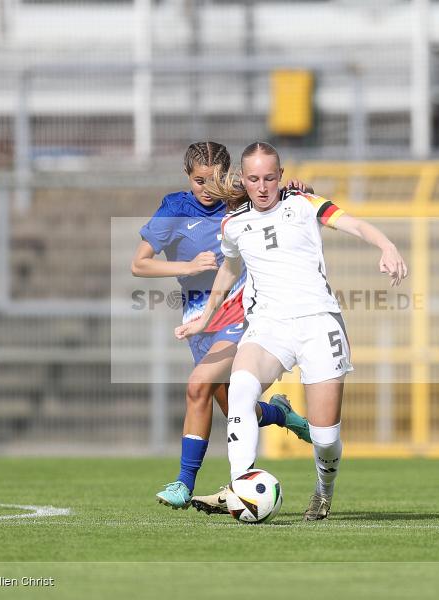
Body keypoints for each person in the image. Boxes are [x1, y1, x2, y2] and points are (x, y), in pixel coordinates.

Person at [176, 142, 407, 520]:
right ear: (244, 181)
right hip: (269, 327)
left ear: (281, 176)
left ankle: (323, 491)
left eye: (270, 177)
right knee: (241, 392)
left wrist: (386, 245)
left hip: (318, 324)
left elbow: (355, 224)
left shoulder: (304, 204)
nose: (263, 186)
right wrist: (205, 319)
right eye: (253, 179)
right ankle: (239, 488)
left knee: (325, 437)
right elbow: (230, 270)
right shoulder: (234, 224)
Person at [131, 141, 312, 511]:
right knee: (236, 408)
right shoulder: (175, 209)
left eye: (215, 180)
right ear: (187, 177)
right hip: (199, 316)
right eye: (199, 181)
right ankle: (279, 413)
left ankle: (183, 483)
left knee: (197, 387)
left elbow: (275, 195)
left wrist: (296, 190)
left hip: (241, 308)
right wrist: (187, 268)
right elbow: (140, 264)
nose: (207, 189)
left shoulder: (239, 198)